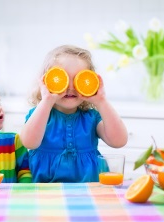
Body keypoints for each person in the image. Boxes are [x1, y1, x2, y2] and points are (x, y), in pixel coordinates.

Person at [20, 45, 128, 183]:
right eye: (62, 77)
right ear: (47, 81)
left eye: (79, 78)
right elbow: (29, 142)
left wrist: (102, 101)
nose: (70, 86)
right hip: (45, 192)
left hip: (90, 190)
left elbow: (119, 141)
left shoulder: (92, 117)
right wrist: (46, 101)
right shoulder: (40, 114)